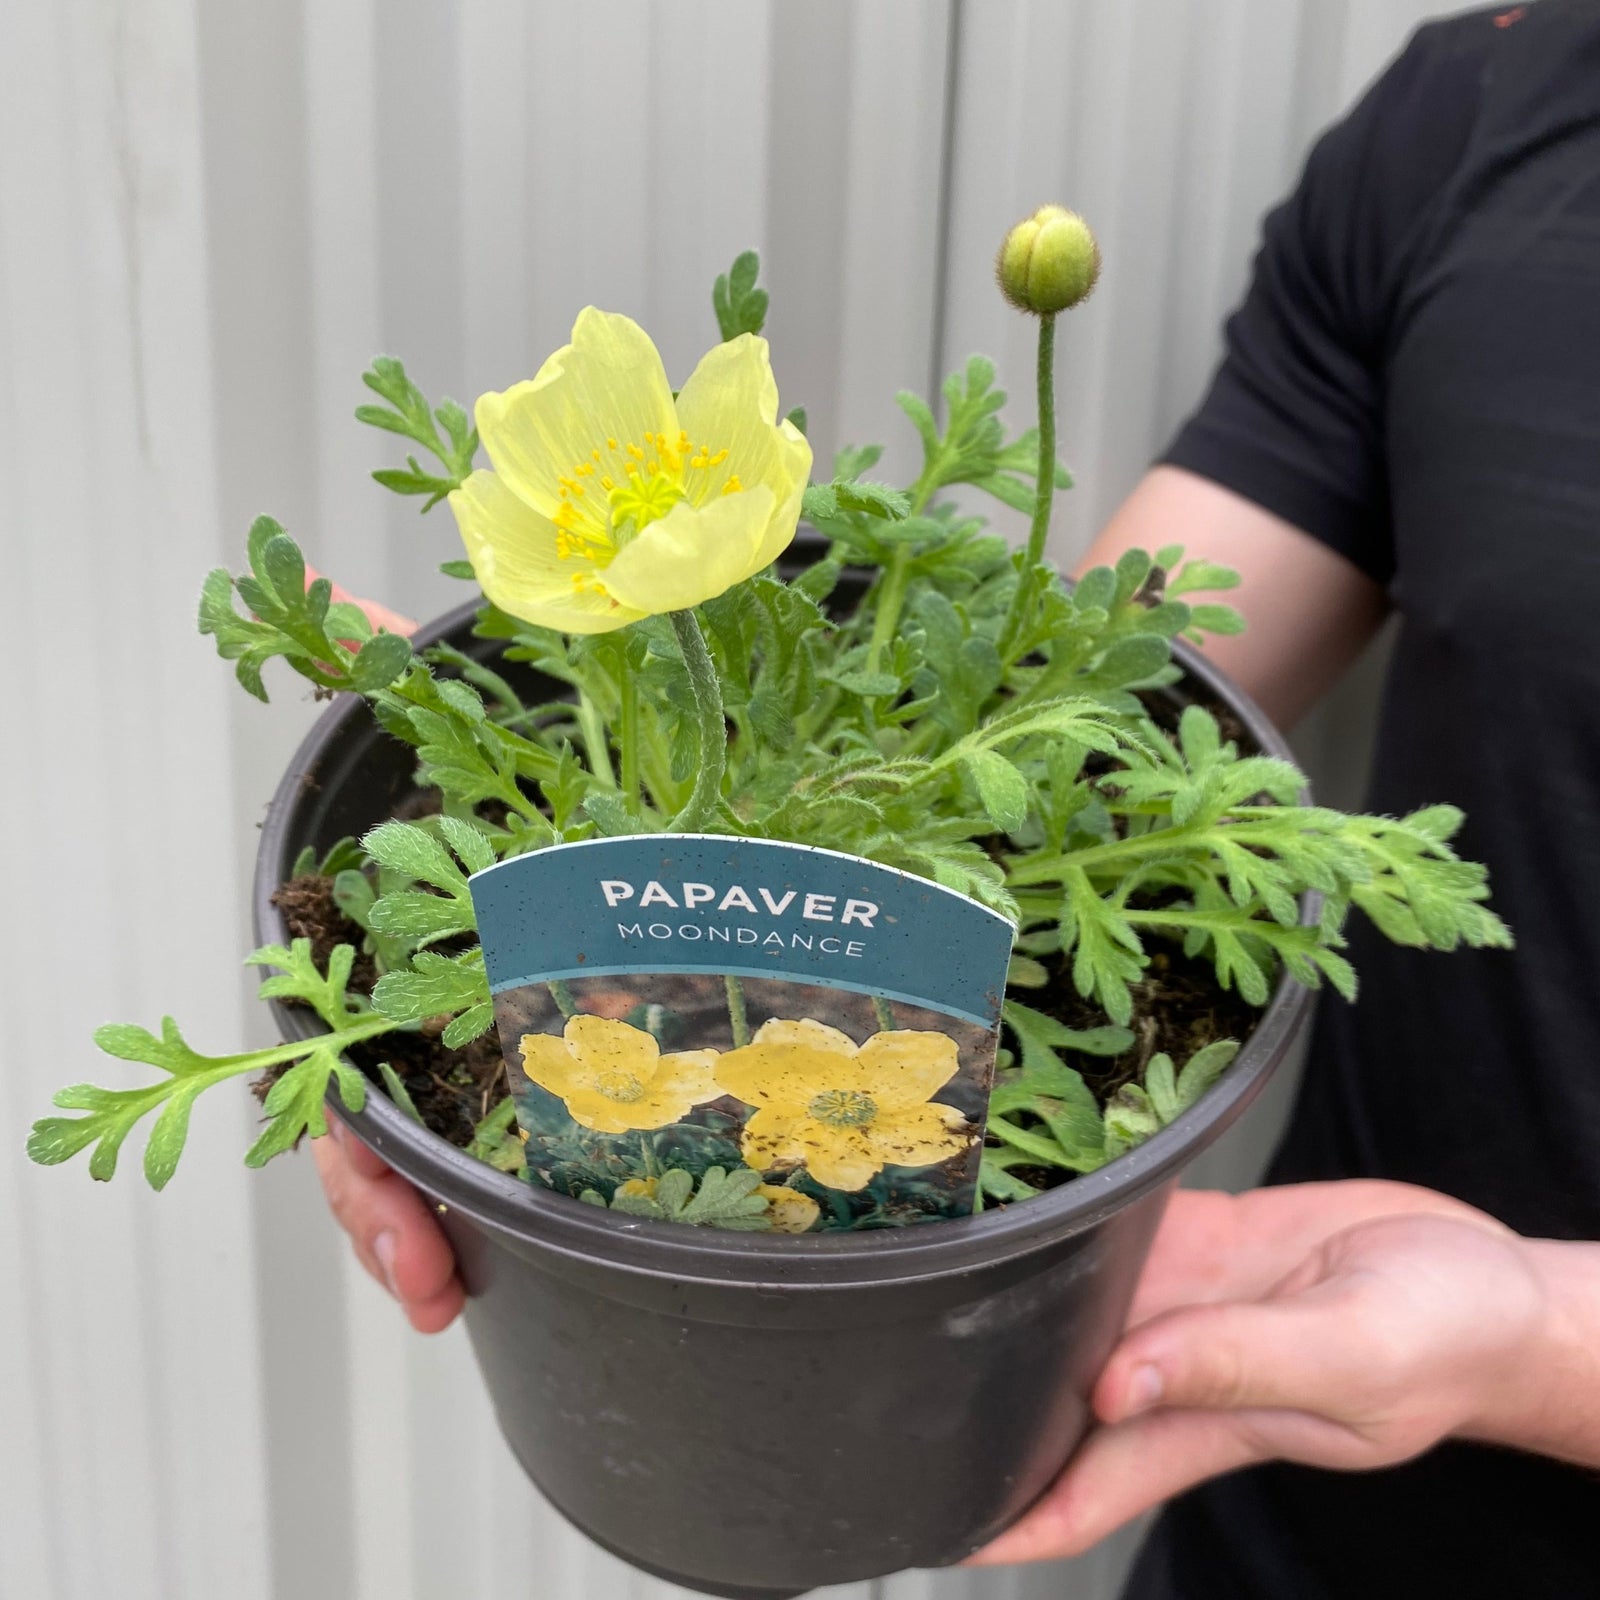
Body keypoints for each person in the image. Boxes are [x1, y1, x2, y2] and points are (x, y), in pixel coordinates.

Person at [310, 3, 1600, 1593]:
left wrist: (1541, 1340)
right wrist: (451, 911)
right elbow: (1109, 680)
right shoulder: (1480, 110)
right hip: (1298, 1533)